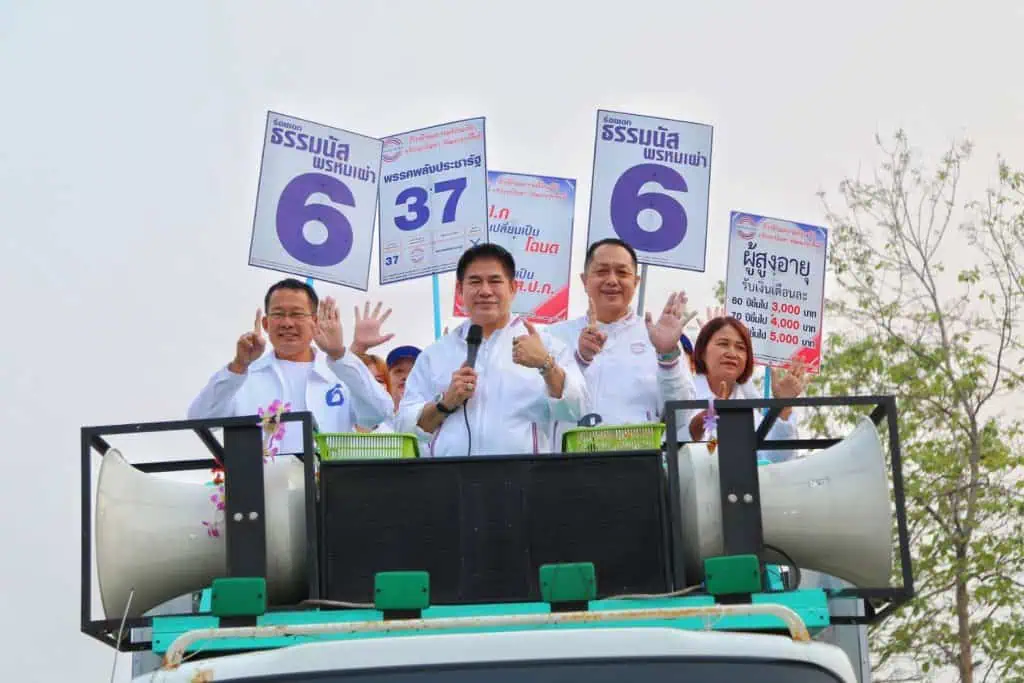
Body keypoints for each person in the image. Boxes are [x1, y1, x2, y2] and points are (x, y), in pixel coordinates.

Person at [396, 244, 588, 457]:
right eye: (475, 281)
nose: (485, 291)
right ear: (460, 290)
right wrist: (445, 403)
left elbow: (576, 409)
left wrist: (546, 366)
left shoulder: (546, 346)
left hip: (524, 479)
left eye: (495, 281)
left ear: (513, 288)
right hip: (450, 480)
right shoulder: (436, 354)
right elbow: (405, 427)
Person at [187, 279, 396, 456]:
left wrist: (339, 354)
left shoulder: (340, 372)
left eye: (297, 314)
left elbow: (380, 411)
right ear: (266, 323)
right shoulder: (244, 376)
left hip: (329, 494)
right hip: (264, 496)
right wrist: (239, 365)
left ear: (315, 321)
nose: (287, 323)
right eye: (278, 314)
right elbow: (199, 420)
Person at [546, 238, 696, 451]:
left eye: (622, 273)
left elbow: (680, 417)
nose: (612, 280)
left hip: (636, 469)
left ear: (635, 282)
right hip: (569, 468)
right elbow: (543, 408)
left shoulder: (657, 337)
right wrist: (580, 359)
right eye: (602, 271)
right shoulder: (555, 336)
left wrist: (667, 355)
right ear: (584, 280)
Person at [683, 315, 809, 463]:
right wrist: (709, 415)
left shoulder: (750, 407)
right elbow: (681, 452)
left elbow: (777, 460)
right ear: (702, 352)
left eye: (741, 348)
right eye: (723, 344)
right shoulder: (684, 393)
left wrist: (784, 406)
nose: (732, 353)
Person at [385, 345, 421, 410]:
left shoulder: (439, 415)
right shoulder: (376, 416)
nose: (406, 377)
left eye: (413, 371)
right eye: (399, 371)